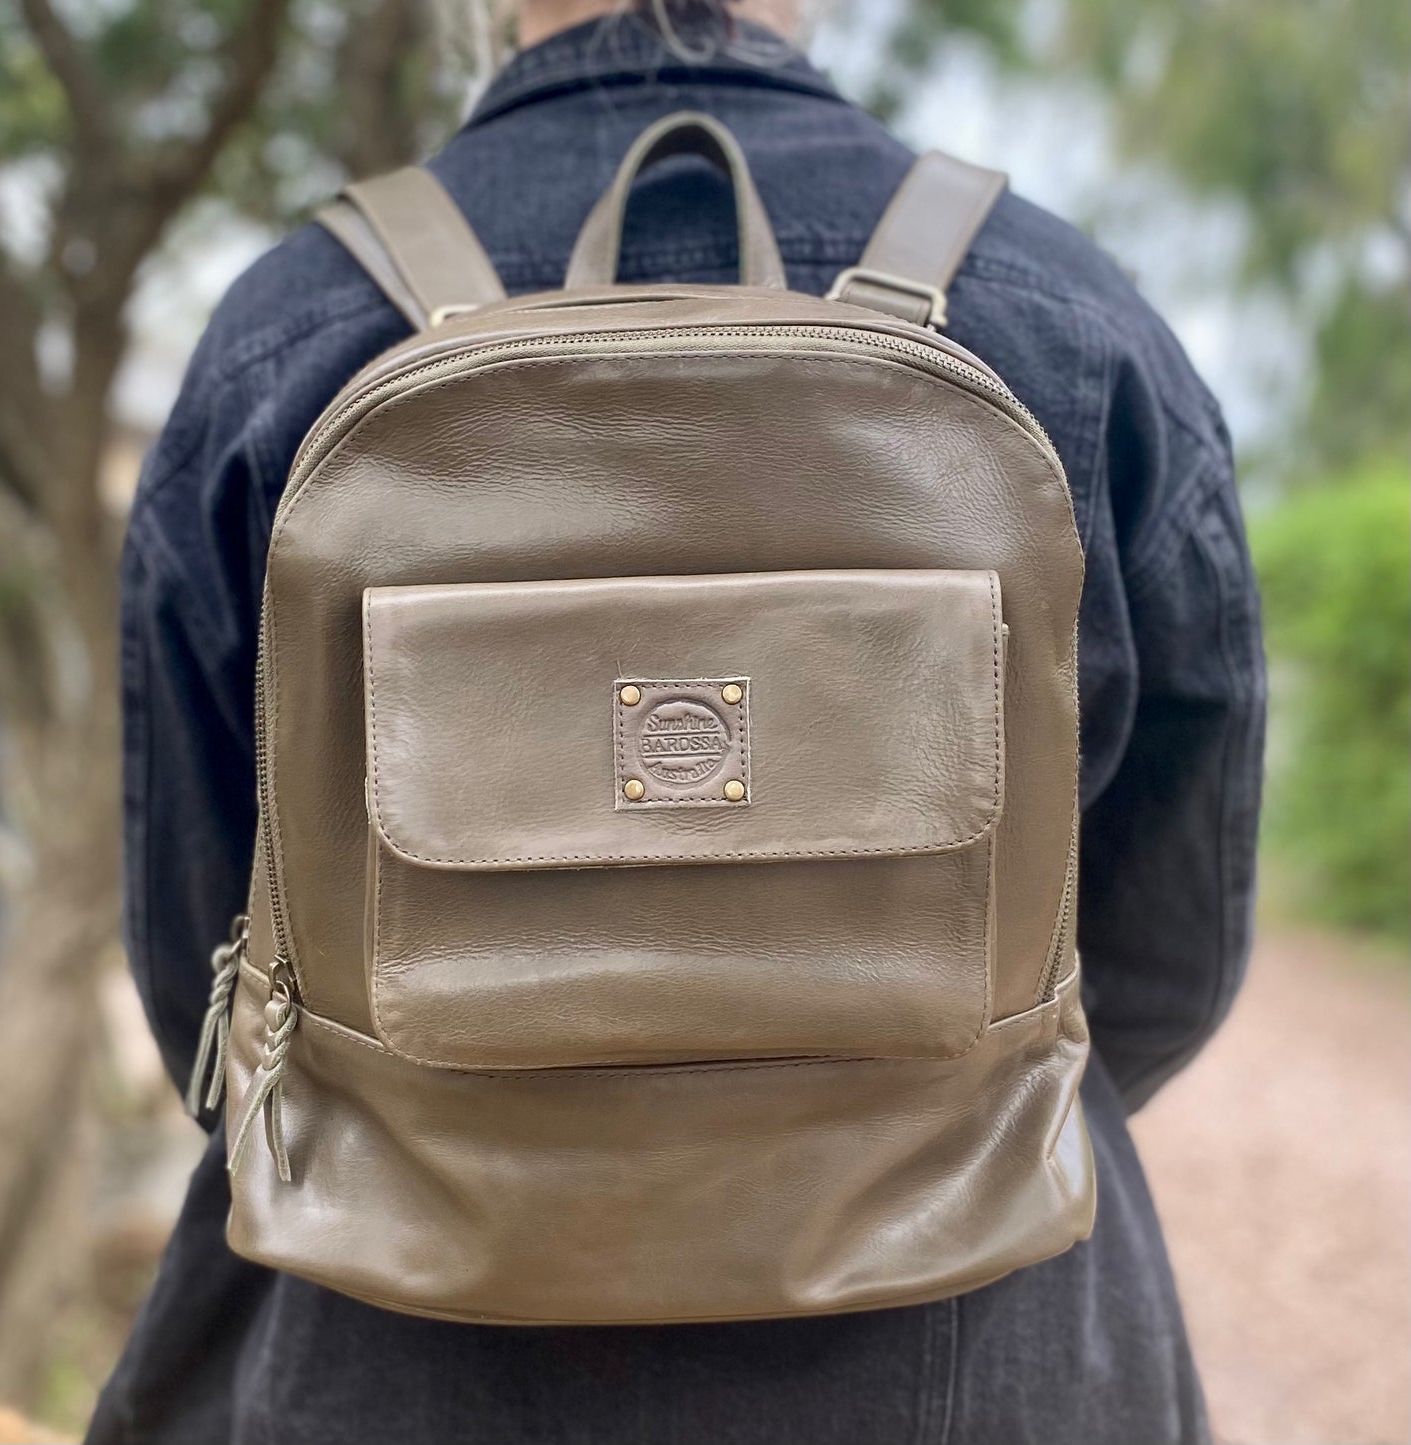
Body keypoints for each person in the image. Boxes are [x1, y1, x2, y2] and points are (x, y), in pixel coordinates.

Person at [89, 2, 1265, 1441]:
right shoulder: (1069, 314)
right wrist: (888, 1114)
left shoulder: (286, 330)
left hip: (400, 1327)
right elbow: (1170, 932)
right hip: (978, 1330)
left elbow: (195, 941)